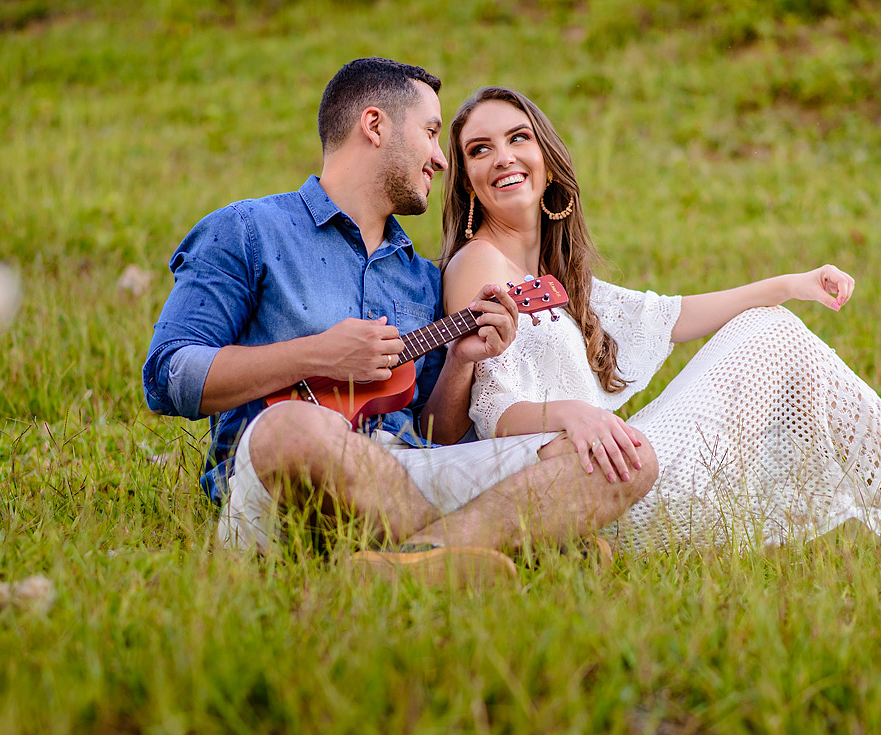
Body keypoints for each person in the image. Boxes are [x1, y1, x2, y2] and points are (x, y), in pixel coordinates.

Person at [439, 85, 881, 551]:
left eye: (518, 138)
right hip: (591, 490)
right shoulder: (477, 265)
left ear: (545, 155)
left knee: (769, 324)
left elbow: (667, 316)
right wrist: (571, 413)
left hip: (619, 462)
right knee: (771, 333)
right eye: (479, 149)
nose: (503, 157)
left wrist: (792, 283)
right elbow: (487, 412)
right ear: (466, 179)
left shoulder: (556, 277)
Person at [143, 61, 658, 584]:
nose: (440, 157)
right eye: (432, 133)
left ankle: (409, 560)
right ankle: (501, 542)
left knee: (623, 457)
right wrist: (317, 354)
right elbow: (169, 377)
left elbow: (438, 434)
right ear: (374, 125)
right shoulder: (250, 230)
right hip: (282, 472)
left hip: (401, 472)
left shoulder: (421, 278)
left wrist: (460, 362)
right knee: (292, 428)